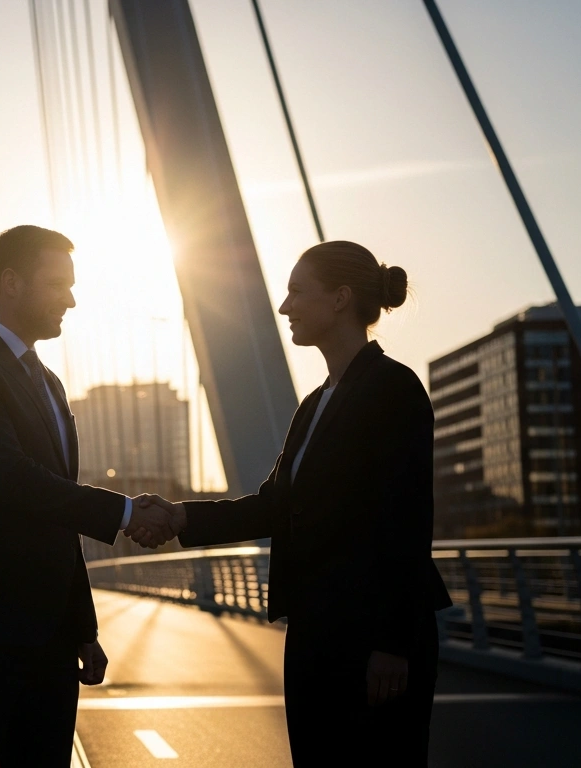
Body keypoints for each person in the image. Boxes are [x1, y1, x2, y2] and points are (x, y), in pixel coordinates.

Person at [129, 241, 453, 766]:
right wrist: (180, 515)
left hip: (374, 642)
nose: (284, 307)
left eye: (297, 292)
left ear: (341, 298)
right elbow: (272, 506)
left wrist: (392, 644)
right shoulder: (315, 404)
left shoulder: (394, 388)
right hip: (317, 634)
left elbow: (407, 521)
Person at [0, 225, 171, 767]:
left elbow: (57, 511)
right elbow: (13, 479)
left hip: (49, 634)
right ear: (11, 282)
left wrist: (82, 628)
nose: (71, 300)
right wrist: (124, 512)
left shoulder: (47, 381)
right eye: (57, 285)